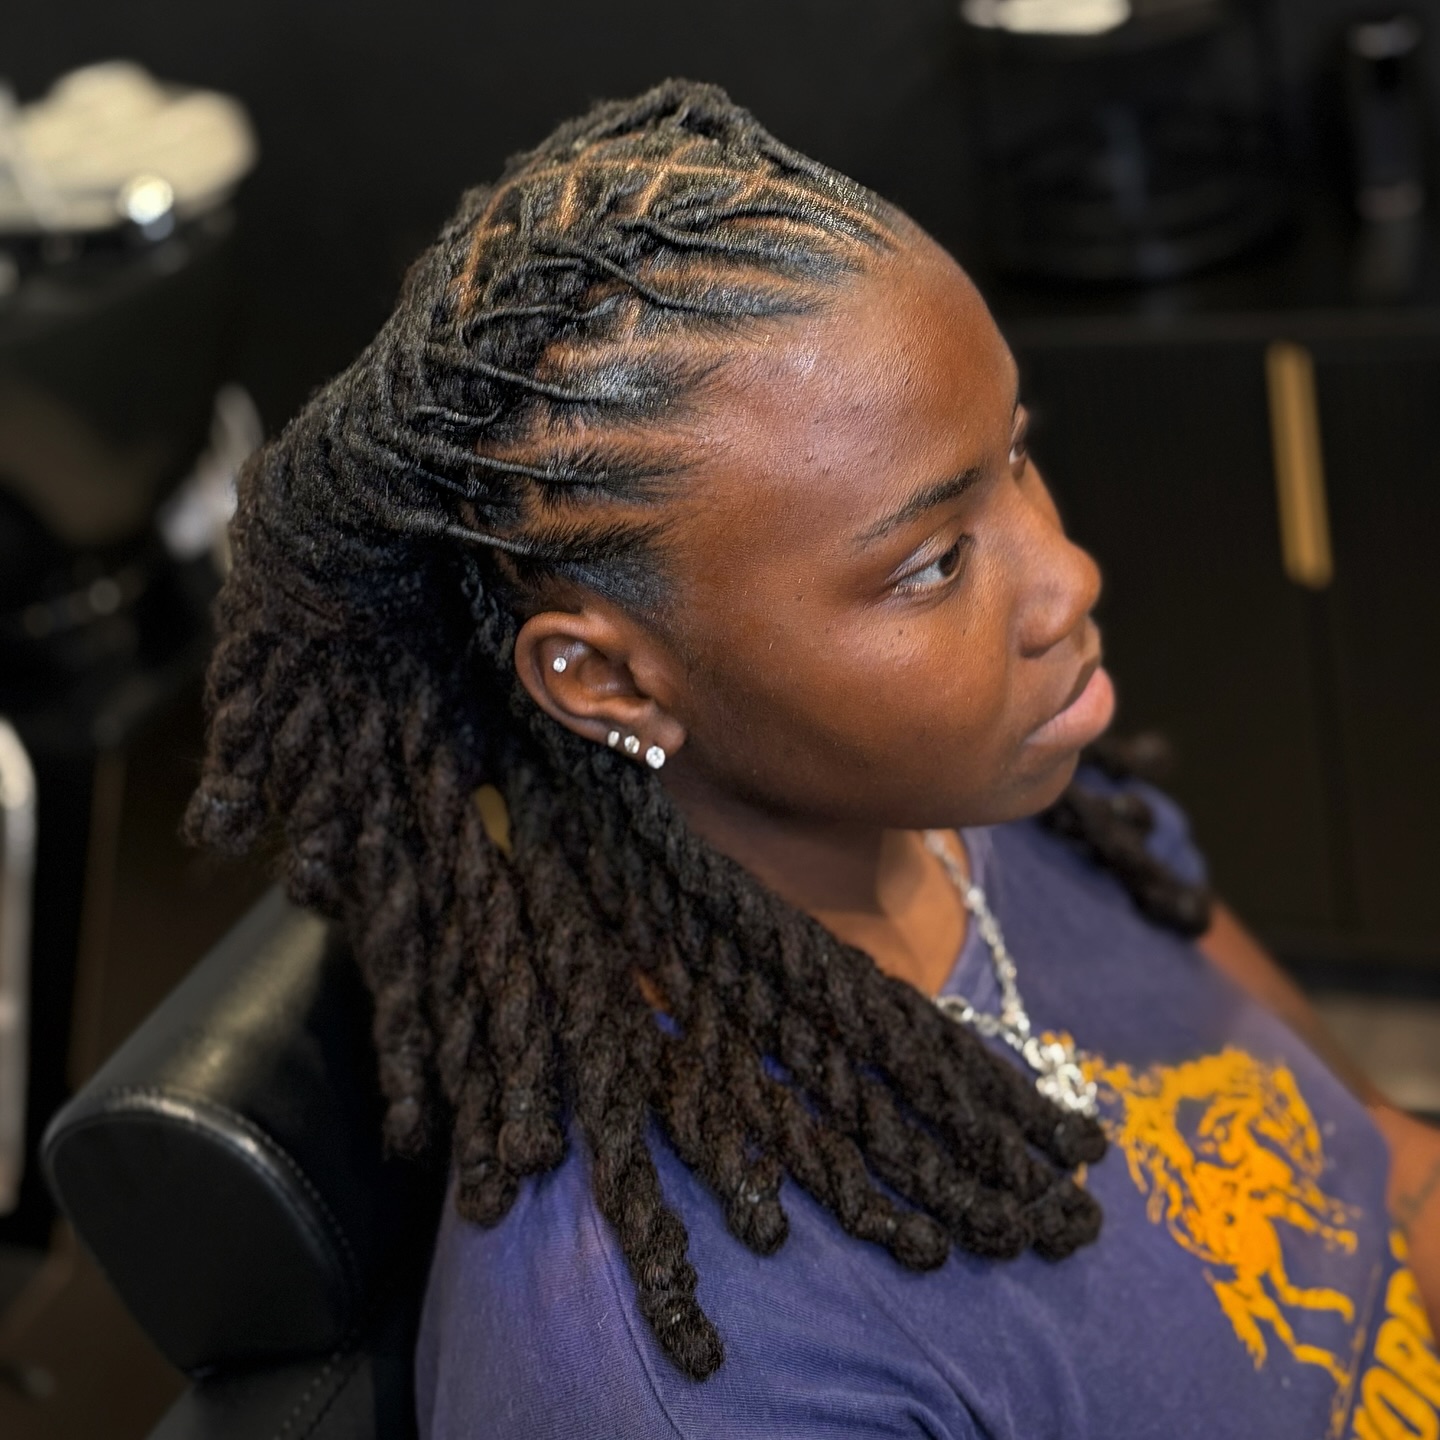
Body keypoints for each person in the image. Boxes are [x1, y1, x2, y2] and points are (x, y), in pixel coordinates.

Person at [187, 80, 1440, 1438]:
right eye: (935, 562)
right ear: (608, 679)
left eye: (1016, 454)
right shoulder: (695, 1370)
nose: (1068, 577)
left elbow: (1379, 1158)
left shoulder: (993, 797)